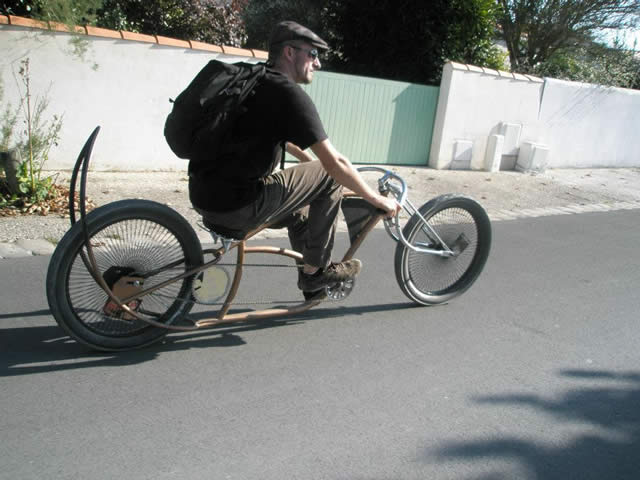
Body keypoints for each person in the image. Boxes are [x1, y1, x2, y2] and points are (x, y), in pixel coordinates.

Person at [188, 21, 400, 299]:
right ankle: (317, 271)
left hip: (204, 195)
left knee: (302, 215)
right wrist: (377, 199)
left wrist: (306, 161)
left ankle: (311, 282)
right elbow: (336, 163)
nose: (319, 63)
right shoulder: (289, 95)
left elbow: (276, 137)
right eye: (313, 54)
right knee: (328, 176)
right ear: (290, 52)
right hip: (239, 207)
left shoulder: (253, 79)